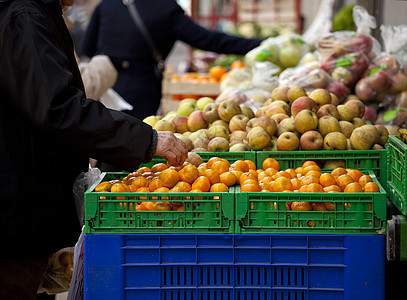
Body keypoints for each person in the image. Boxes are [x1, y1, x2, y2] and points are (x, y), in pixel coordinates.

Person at [0, 0, 187, 299]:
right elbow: (60, 108)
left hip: (24, 205)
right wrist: (147, 140)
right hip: (16, 211)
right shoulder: (25, 15)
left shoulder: (38, 12)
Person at [80, 0, 262, 120]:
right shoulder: (164, 8)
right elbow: (210, 40)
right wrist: (259, 44)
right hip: (142, 89)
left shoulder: (107, 5)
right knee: (133, 147)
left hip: (104, 88)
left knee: (106, 145)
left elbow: (86, 48)